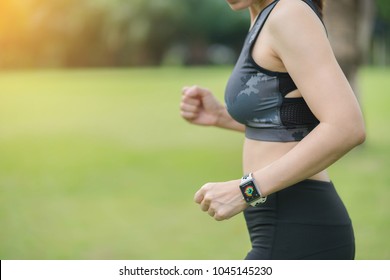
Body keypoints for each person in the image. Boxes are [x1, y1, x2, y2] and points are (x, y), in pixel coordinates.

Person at [180, 0, 366, 260]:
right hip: (283, 225)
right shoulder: (262, 14)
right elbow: (292, 120)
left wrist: (246, 190)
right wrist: (221, 116)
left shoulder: (290, 13)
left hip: (300, 228)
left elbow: (347, 127)